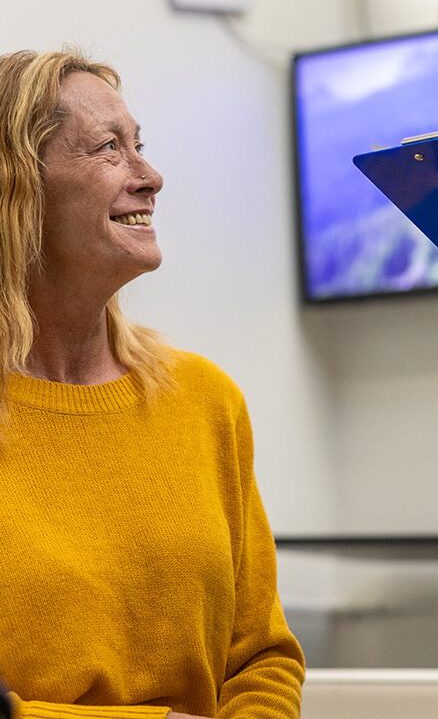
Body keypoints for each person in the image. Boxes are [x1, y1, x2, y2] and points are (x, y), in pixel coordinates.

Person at [0, 51, 305, 717]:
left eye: (140, 145)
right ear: (18, 185)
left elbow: (261, 655)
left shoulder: (205, 399)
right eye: (110, 148)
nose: (150, 176)